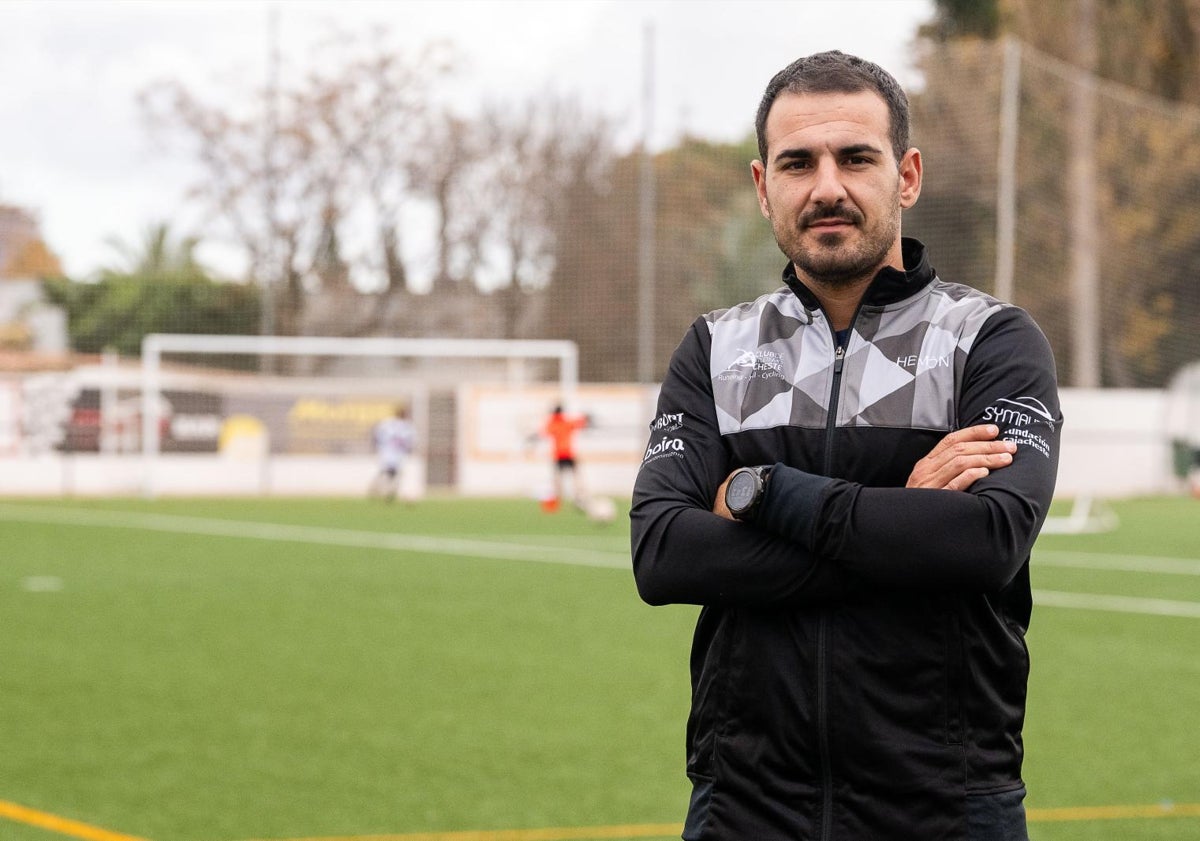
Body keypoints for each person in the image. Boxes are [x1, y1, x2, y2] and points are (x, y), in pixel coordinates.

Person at [630, 51, 1062, 841]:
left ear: (907, 176)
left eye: (855, 157)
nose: (827, 185)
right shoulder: (714, 350)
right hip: (744, 806)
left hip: (949, 804)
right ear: (765, 187)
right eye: (798, 162)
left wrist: (768, 493)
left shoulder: (991, 341)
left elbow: (985, 542)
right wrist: (902, 523)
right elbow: (664, 554)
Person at [540, 404, 590, 512]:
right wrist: (586, 417)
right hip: (567, 454)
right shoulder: (566, 422)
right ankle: (579, 499)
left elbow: (543, 432)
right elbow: (581, 422)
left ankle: (557, 503)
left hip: (560, 455)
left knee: (558, 482)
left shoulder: (552, 423)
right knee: (576, 480)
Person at [369, 404, 416, 502]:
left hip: (385, 452)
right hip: (398, 454)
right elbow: (410, 442)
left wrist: (376, 447)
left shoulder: (386, 424)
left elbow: (376, 435)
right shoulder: (407, 427)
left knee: (386, 471)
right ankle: (388, 491)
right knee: (394, 473)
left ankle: (380, 489)